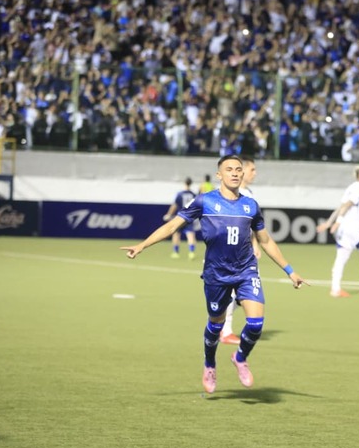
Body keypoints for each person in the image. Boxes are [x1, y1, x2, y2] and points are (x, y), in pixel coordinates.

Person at [120, 155, 308, 393]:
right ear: (219, 175)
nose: (235, 173)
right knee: (215, 325)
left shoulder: (250, 205)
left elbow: (266, 240)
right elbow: (172, 226)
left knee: (256, 323)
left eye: (239, 169)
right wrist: (142, 245)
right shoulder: (204, 201)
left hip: (245, 270)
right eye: (229, 169)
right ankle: (209, 364)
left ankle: (240, 358)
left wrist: (290, 271)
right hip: (216, 274)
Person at [316, 166, 359, 298]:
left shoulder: (354, 187)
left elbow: (341, 206)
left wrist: (330, 222)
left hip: (345, 228)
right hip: (354, 228)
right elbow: (348, 205)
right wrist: (338, 221)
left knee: (341, 257)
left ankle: (335, 289)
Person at [220, 157, 260, 345]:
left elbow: (249, 224)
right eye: (252, 169)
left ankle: (220, 322)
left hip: (244, 253)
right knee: (236, 293)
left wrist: (255, 244)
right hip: (228, 254)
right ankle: (224, 329)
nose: (254, 173)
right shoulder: (229, 194)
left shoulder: (247, 194)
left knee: (240, 294)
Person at [164, 177, 198, 260]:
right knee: (190, 235)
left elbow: (174, 205)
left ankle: (176, 252)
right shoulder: (193, 194)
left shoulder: (180, 194)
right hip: (190, 216)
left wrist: (168, 214)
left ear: (184, 183)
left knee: (176, 234)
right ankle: (191, 252)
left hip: (180, 216)